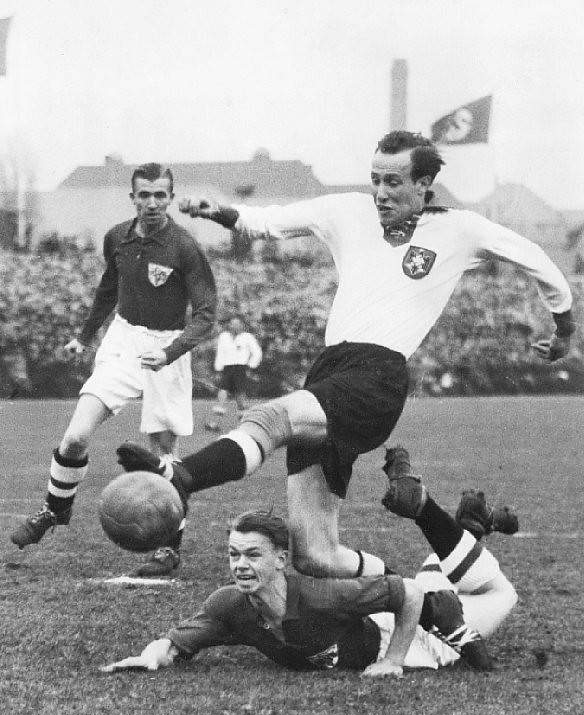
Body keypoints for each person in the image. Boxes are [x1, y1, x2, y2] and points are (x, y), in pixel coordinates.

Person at [117, 130, 574, 583]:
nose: (380, 192)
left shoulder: (460, 228)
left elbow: (536, 258)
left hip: (378, 376)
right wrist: (219, 211)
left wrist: (564, 330)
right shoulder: (346, 211)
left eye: (394, 182)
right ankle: (416, 595)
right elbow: (273, 220)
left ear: (423, 185)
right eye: (376, 179)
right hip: (329, 373)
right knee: (315, 556)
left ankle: (180, 475)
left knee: (273, 416)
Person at [100, 456, 517, 676]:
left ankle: (431, 512)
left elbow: (405, 594)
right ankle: (472, 527)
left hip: (421, 642)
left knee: (497, 594)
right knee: (442, 571)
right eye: (233, 555)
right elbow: (174, 643)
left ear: (282, 560)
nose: (240, 565)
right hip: (399, 610)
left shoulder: (317, 596)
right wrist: (152, 656)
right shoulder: (228, 604)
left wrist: (392, 660)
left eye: (253, 555)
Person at [11, 163, 217, 577]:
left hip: (167, 348)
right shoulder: (117, 238)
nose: (153, 203)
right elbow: (109, 288)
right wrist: (85, 337)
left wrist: (172, 352)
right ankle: (55, 509)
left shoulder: (184, 247)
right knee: (74, 437)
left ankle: (169, 548)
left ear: (172, 198)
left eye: (161, 195)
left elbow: (207, 315)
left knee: (165, 456)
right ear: (133, 197)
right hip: (123, 342)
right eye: (145, 195)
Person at [205, 315, 263, 432]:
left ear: (242, 325)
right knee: (222, 393)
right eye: (232, 323)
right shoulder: (224, 337)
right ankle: (215, 423)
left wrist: (250, 365)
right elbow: (220, 353)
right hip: (227, 368)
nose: (234, 326)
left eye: (237, 324)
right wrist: (218, 369)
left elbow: (257, 352)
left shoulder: (247, 337)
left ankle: (245, 425)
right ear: (229, 325)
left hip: (240, 368)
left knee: (240, 398)